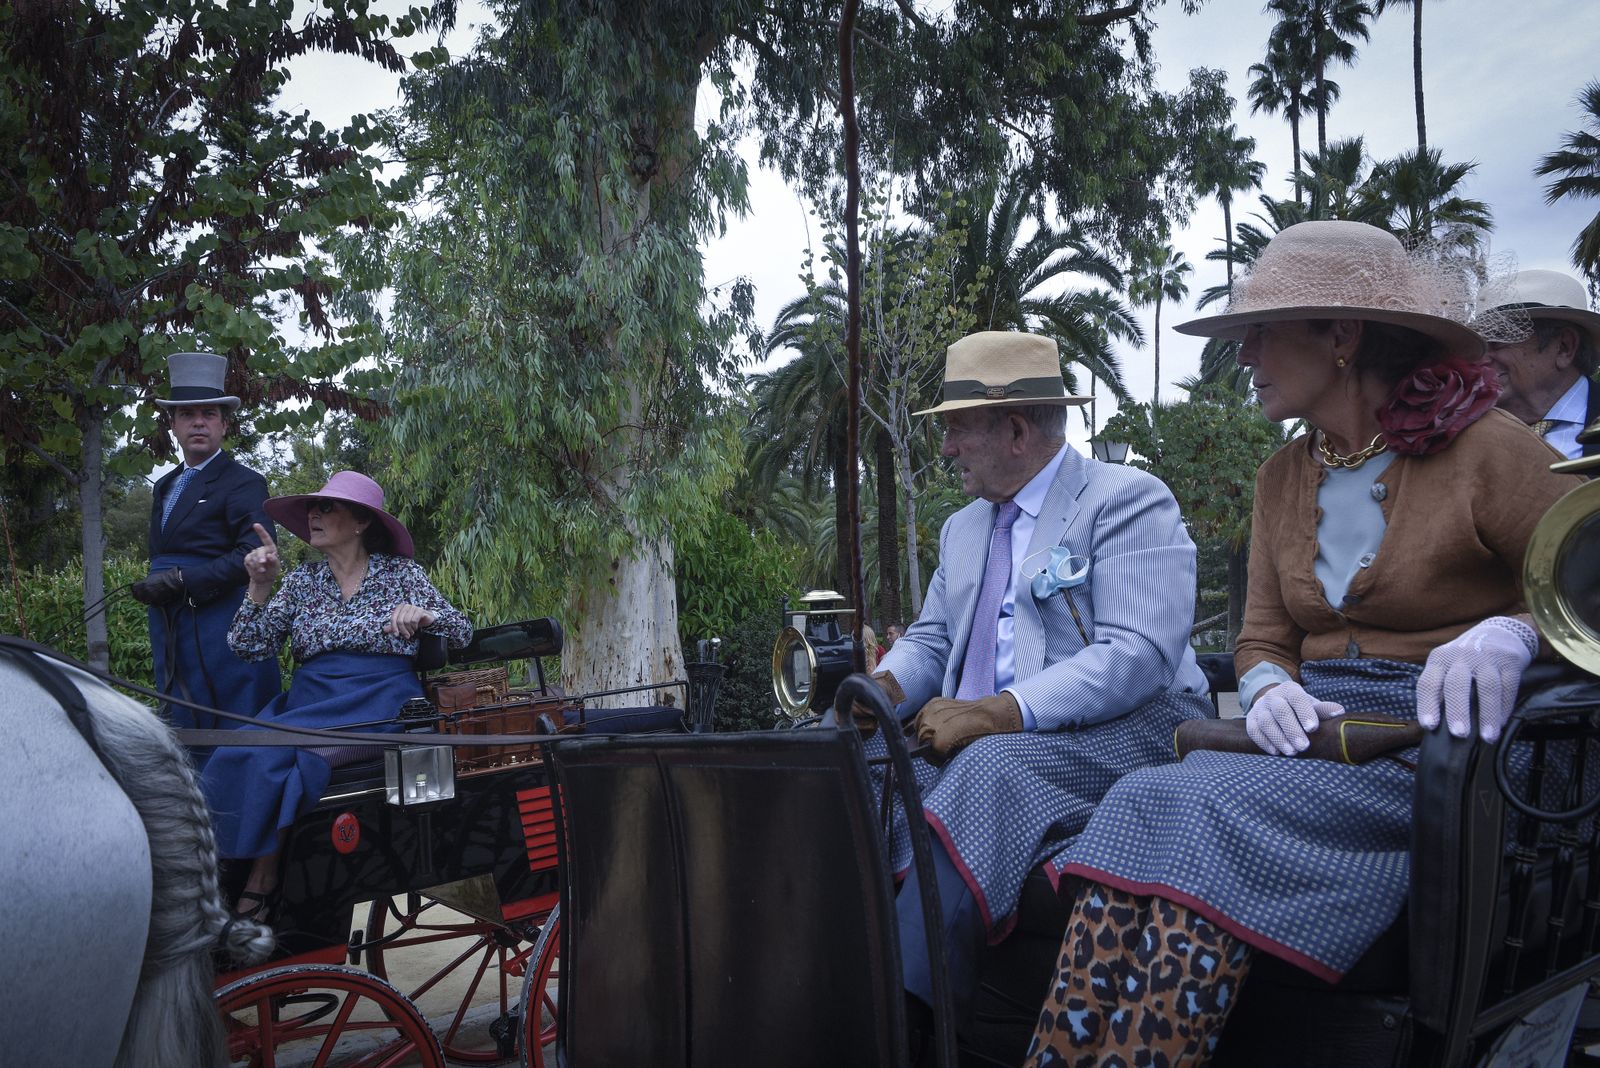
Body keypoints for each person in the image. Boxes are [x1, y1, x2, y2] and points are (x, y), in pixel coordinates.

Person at [1025, 221, 1582, 1066]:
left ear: (1342, 336)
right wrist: (1268, 684)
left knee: (1198, 800)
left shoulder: (1491, 452)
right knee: (1145, 793)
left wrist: (1510, 634)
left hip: (1438, 754)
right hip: (1312, 740)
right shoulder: (1281, 475)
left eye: (1259, 333)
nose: (1243, 357)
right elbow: (1260, 638)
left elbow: (1588, 598)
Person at [862, 330, 1213, 1037]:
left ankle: (905, 1023)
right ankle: (822, 971)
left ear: (1016, 429)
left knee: (990, 768)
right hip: (987, 737)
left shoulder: (1128, 500)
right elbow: (931, 638)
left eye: (957, 428)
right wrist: (878, 699)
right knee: (850, 766)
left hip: (1131, 727)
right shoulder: (964, 529)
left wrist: (999, 712)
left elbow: (1140, 655)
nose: (947, 447)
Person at [200, 470, 473, 917]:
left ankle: (262, 877)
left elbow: (461, 631)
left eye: (327, 506)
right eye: (312, 507)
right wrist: (259, 587)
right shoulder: (303, 582)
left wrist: (424, 616)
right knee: (236, 749)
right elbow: (247, 647)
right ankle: (215, 873)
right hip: (310, 699)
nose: (314, 514)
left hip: (380, 699)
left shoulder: (402, 574)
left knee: (297, 758)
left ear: (361, 521)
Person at [132, 352, 280, 735]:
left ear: (224, 425)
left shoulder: (244, 482)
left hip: (221, 620)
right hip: (170, 620)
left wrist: (183, 580)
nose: (198, 422)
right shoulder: (165, 486)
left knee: (233, 716)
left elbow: (252, 555)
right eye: (187, 415)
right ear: (173, 425)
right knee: (180, 710)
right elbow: (161, 555)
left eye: (209, 414)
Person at [1477, 268, 1600, 460]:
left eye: (1499, 339)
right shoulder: (1461, 428)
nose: (1483, 359)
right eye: (1480, 345)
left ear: (1564, 347)